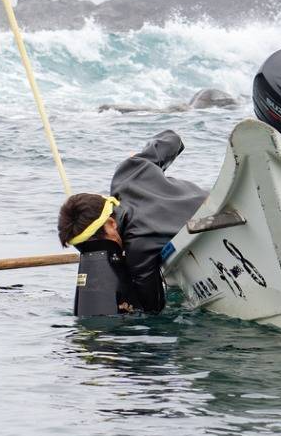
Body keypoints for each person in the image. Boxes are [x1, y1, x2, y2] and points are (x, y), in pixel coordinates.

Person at [57, 130, 207, 314]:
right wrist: (141, 158)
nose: (113, 252)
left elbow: (153, 308)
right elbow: (172, 139)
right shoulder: (128, 171)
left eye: (105, 246)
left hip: (208, 235)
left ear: (111, 224)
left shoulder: (138, 250)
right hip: (216, 206)